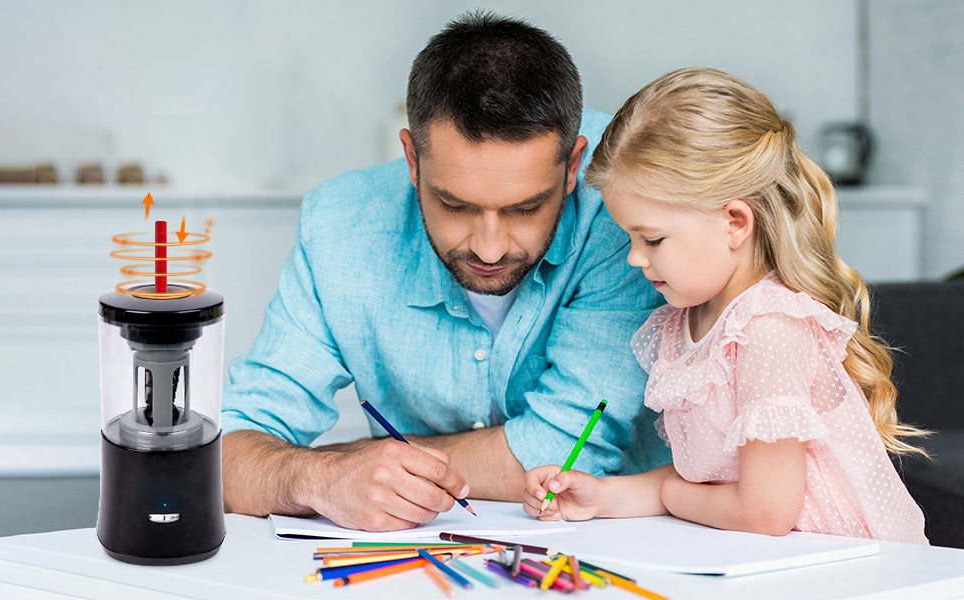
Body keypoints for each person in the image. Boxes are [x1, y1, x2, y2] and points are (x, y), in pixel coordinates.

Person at [221, 12, 670, 532]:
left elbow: (567, 453)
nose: (489, 247)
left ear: (572, 167)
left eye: (526, 209)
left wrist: (375, 459)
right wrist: (320, 476)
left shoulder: (619, 207)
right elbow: (232, 445)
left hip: (621, 545)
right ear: (412, 161)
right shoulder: (339, 228)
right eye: (454, 205)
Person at [523, 67, 929, 544]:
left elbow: (764, 512)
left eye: (651, 238)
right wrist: (604, 496)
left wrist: (673, 494)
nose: (634, 258)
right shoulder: (685, 322)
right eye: (629, 237)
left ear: (735, 221)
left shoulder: (770, 327)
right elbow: (708, 480)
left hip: (849, 562)